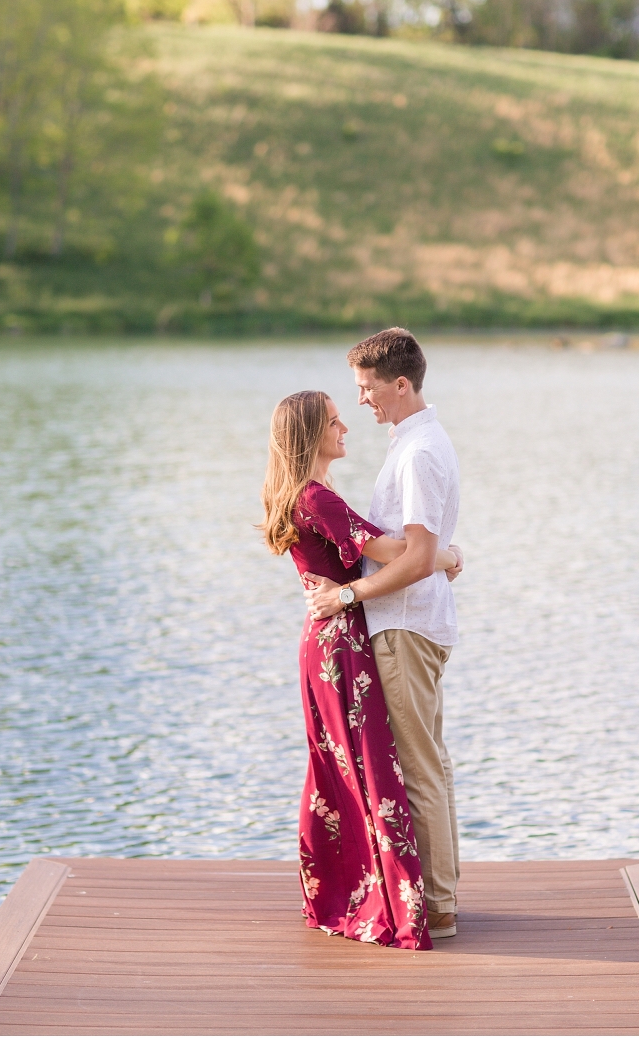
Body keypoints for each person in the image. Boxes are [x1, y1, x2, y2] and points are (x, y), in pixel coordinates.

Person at [259, 388, 459, 950]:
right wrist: (445, 556)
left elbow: (368, 551)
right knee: (365, 765)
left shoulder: (311, 495)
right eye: (333, 421)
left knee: (347, 766)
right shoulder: (315, 497)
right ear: (309, 435)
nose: (345, 427)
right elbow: (390, 549)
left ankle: (354, 889)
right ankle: (379, 897)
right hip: (339, 645)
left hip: (334, 640)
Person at [303, 328, 463, 939]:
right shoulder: (413, 444)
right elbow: (429, 553)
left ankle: (440, 906)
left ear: (400, 384)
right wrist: (444, 556)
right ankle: (442, 895)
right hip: (414, 623)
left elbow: (418, 555)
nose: (363, 401)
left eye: (367, 389)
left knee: (419, 767)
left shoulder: (418, 453)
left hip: (402, 627)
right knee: (430, 764)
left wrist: (346, 594)